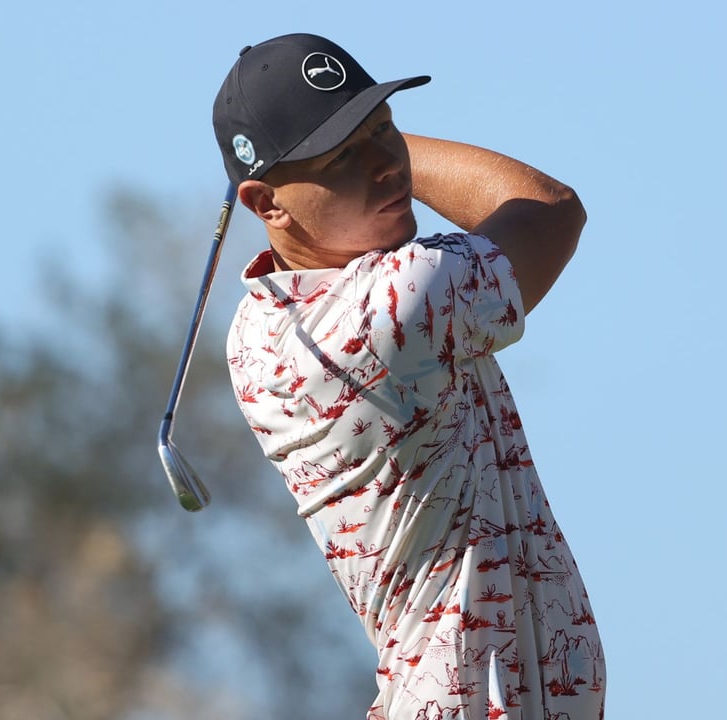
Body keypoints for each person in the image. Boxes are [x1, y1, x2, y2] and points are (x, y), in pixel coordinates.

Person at [213, 34, 605, 719]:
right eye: (343, 157)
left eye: (385, 129)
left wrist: (355, 142)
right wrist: (389, 144)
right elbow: (549, 206)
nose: (387, 165)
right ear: (266, 203)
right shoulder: (392, 310)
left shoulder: (257, 325)